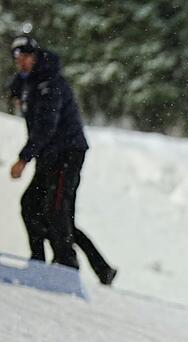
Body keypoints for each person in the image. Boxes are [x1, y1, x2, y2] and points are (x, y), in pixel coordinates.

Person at [7, 35, 117, 285]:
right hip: (49, 154)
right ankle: (43, 262)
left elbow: (46, 126)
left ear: (35, 56)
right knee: (31, 206)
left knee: (56, 213)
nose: (22, 62)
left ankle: (66, 268)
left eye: (26, 56)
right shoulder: (28, 84)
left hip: (67, 153)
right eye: (17, 58)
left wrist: (24, 159)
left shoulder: (50, 83)